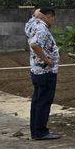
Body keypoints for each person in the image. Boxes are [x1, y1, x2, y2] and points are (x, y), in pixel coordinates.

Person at [26, 8, 61, 140]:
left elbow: (33, 16)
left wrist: (36, 14)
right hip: (45, 71)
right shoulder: (42, 29)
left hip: (36, 70)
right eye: (52, 18)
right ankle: (41, 132)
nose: (53, 21)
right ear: (48, 17)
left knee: (37, 101)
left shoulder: (33, 25)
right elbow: (35, 45)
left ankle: (35, 131)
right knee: (44, 101)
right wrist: (47, 60)